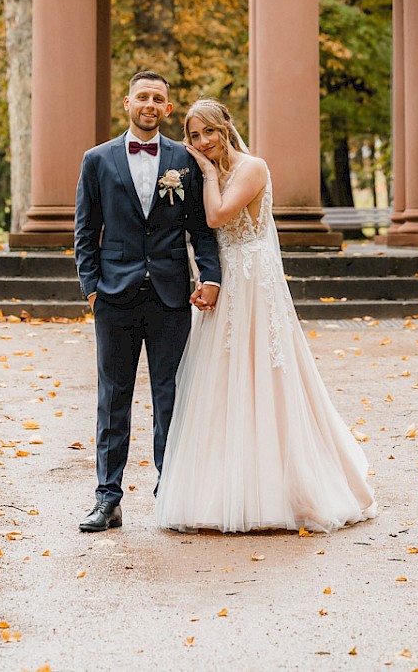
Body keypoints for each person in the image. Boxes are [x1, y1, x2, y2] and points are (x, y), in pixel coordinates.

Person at [155, 98, 379, 534]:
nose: (203, 142)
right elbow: (202, 235)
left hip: (253, 280)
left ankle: (285, 488)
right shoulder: (213, 173)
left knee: (264, 375)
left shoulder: (251, 167)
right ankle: (220, 491)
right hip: (225, 278)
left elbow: (219, 216)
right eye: (194, 136)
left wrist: (201, 171)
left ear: (226, 127)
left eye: (209, 132)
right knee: (219, 380)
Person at [74, 70, 222, 532]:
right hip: (114, 297)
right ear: (128, 102)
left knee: (170, 398)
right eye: (143, 97)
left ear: (168, 108)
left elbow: (201, 227)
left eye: (159, 98)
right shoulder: (97, 160)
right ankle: (107, 498)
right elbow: (84, 229)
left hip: (169, 295)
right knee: (112, 399)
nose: (150, 105)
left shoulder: (185, 160)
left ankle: (170, 495)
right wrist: (92, 287)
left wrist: (211, 277)